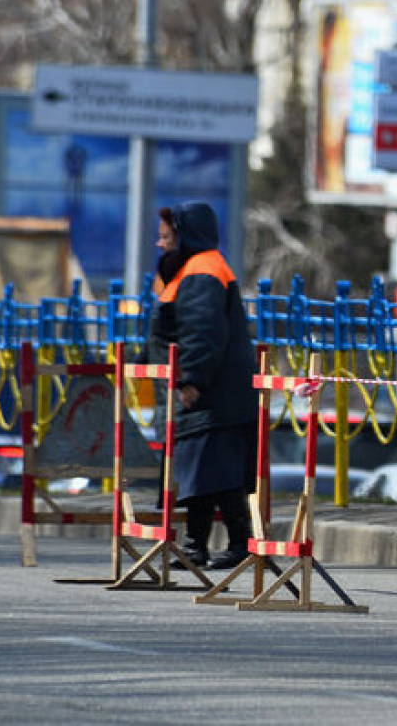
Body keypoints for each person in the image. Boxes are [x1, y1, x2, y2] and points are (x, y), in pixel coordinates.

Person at [145, 203, 257, 570]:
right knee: (200, 474)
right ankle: (196, 546)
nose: (159, 244)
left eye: (165, 237)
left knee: (217, 473)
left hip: (212, 394)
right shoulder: (191, 270)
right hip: (207, 393)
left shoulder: (203, 271)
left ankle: (238, 543)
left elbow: (201, 331)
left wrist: (191, 379)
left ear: (185, 235)